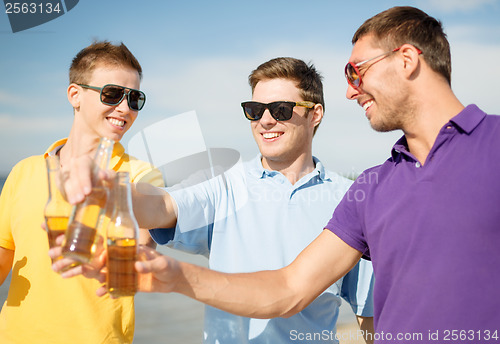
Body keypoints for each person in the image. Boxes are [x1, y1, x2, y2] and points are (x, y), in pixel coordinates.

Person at [83, 6, 500, 343]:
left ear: (407, 60)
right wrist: (115, 199)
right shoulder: (373, 190)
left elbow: (368, 319)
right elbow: (287, 288)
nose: (351, 90)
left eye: (357, 71)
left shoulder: (356, 192)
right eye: (254, 110)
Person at [56, 57, 376, 343]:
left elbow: (368, 313)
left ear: (314, 114)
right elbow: (160, 205)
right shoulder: (223, 186)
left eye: (280, 110)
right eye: (254, 110)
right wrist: (109, 189)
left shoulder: (348, 201)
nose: (265, 121)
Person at [0, 41, 163, 343]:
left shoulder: (140, 176)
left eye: (135, 99)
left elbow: (139, 250)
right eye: (112, 94)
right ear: (75, 95)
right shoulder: (25, 171)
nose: (125, 108)